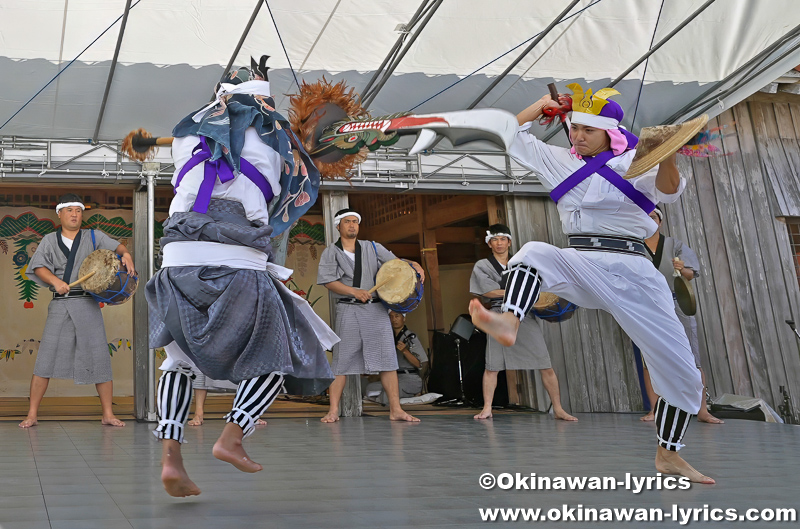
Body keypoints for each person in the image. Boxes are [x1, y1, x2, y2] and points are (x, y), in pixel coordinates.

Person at [469, 84, 714, 484]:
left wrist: (667, 151)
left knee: (683, 375)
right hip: (584, 262)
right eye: (574, 128)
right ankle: (508, 321)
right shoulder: (557, 160)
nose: (577, 136)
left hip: (635, 273)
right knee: (534, 251)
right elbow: (507, 133)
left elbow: (669, 191)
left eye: (587, 130)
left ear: (608, 132)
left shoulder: (636, 159)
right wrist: (537, 108)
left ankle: (668, 454)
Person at [145, 59, 338, 497]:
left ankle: (171, 457)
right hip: (236, 256)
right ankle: (232, 437)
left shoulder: (185, 134)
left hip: (177, 257)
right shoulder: (275, 136)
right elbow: (297, 183)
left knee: (179, 361)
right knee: (282, 351)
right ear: (262, 102)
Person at [19, 193, 132, 429]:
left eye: (78, 211)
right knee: (45, 358)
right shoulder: (50, 240)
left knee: (99, 357)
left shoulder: (93, 236)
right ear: (59, 214)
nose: (74, 214)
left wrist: (126, 254)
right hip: (60, 304)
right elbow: (38, 267)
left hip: (88, 304)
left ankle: (108, 414)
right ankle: (32, 414)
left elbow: (117, 247)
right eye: (69, 210)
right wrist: (55, 282)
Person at [317, 208, 425, 423]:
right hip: (348, 309)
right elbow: (329, 281)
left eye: (355, 222)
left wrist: (414, 265)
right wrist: (353, 291)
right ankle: (333, 411)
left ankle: (396, 410)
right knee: (341, 361)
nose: (352, 225)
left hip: (376, 309)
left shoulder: (373, 247)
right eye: (347, 222)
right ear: (338, 226)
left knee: (388, 360)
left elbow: (396, 266)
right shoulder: (332, 252)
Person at [470, 224, 577, 421]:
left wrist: (524, 294)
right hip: (498, 312)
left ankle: (559, 408)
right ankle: (487, 408)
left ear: (509, 242)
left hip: (525, 314)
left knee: (545, 363)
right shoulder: (483, 266)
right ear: (489, 244)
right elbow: (487, 291)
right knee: (492, 366)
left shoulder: (522, 263)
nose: (499, 243)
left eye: (503, 239)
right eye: (495, 239)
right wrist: (519, 291)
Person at [639, 207, 722, 424]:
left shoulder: (674, 245)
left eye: (653, 217)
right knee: (649, 359)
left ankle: (702, 410)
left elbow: (690, 274)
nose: (650, 220)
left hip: (676, 302)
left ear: (660, 221)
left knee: (692, 357)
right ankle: (655, 409)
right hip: (647, 307)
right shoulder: (635, 247)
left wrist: (682, 268)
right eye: (645, 218)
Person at [365, 310, 427, 404]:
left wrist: (405, 351)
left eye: (397, 316)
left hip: (410, 378)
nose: (394, 319)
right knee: (369, 388)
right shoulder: (389, 337)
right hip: (394, 377)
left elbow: (420, 364)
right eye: (391, 316)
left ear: (404, 318)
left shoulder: (410, 337)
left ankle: (412, 394)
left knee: (388, 394)